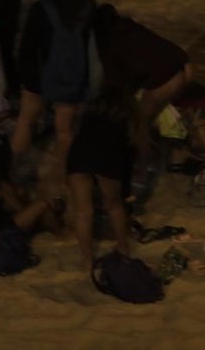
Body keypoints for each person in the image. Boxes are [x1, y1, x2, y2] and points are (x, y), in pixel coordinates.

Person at [12, 0, 95, 184]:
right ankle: (64, 175)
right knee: (64, 131)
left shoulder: (41, 10)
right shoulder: (88, 10)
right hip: (71, 81)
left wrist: (29, 82)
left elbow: (28, 49)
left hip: (41, 78)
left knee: (26, 120)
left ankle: (14, 167)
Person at [90, 3, 191, 159]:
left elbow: (116, 84)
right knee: (147, 109)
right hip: (184, 65)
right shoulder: (130, 27)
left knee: (139, 121)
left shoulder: (109, 43)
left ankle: (141, 158)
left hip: (167, 80)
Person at [66, 82, 136, 270]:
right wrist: (127, 188)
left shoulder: (91, 111)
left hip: (79, 155)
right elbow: (125, 153)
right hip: (107, 157)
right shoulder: (122, 116)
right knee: (114, 206)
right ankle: (122, 248)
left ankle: (87, 259)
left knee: (83, 212)